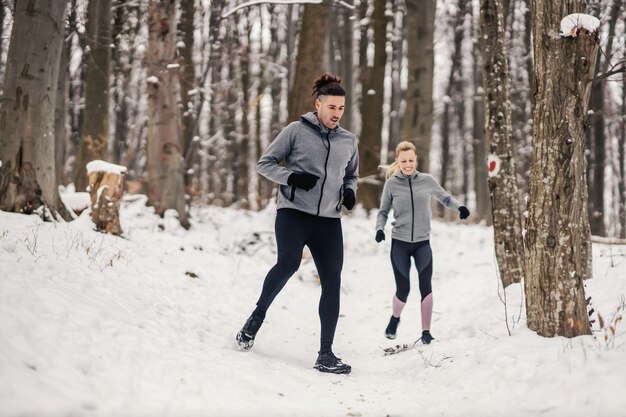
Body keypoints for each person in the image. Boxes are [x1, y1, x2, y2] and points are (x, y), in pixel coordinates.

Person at [235, 74, 359, 375]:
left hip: (329, 220)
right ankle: (255, 318)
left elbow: (351, 174)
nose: (336, 113)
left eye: (341, 108)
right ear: (318, 104)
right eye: (331, 107)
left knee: (332, 279)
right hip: (294, 213)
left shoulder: (348, 141)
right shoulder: (296, 131)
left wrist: (350, 191)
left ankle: (326, 354)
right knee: (288, 263)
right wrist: (292, 177)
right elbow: (264, 164)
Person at [375, 141, 469, 344]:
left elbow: (444, 198)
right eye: (403, 161)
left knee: (426, 285)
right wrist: (380, 229)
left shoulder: (427, 180)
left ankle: (426, 332)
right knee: (404, 289)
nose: (408, 164)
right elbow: (383, 211)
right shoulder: (391, 184)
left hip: (422, 243)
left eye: (411, 160)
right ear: (397, 162)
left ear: (416, 159)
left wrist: (460, 207)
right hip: (399, 243)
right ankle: (395, 318)